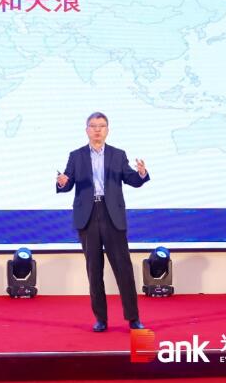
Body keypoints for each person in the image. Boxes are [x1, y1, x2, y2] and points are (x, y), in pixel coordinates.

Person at [56, 112, 149, 332]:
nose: (97, 129)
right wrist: (62, 182)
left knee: (123, 268)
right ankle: (101, 319)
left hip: (112, 215)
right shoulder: (76, 156)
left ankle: (133, 318)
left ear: (107, 130)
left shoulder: (118, 155)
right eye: (93, 126)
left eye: (101, 126)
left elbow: (131, 179)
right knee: (94, 270)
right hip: (88, 216)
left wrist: (141, 173)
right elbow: (67, 183)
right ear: (86, 130)